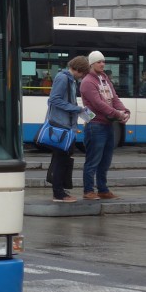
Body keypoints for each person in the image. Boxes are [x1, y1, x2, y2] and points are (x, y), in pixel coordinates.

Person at [79, 50, 130, 201]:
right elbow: (98, 104)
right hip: (95, 125)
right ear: (91, 64)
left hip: (108, 125)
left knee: (106, 160)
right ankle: (88, 191)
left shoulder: (105, 79)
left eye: (103, 61)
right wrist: (118, 114)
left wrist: (124, 110)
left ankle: (103, 189)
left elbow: (114, 98)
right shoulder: (88, 81)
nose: (102, 64)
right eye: (98, 62)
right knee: (93, 160)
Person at [45, 55, 90, 203]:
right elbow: (54, 99)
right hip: (60, 125)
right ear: (78, 69)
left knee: (63, 159)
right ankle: (58, 193)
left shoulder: (70, 80)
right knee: (61, 159)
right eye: (83, 73)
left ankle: (60, 190)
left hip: (65, 125)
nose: (83, 77)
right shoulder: (63, 78)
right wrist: (76, 109)